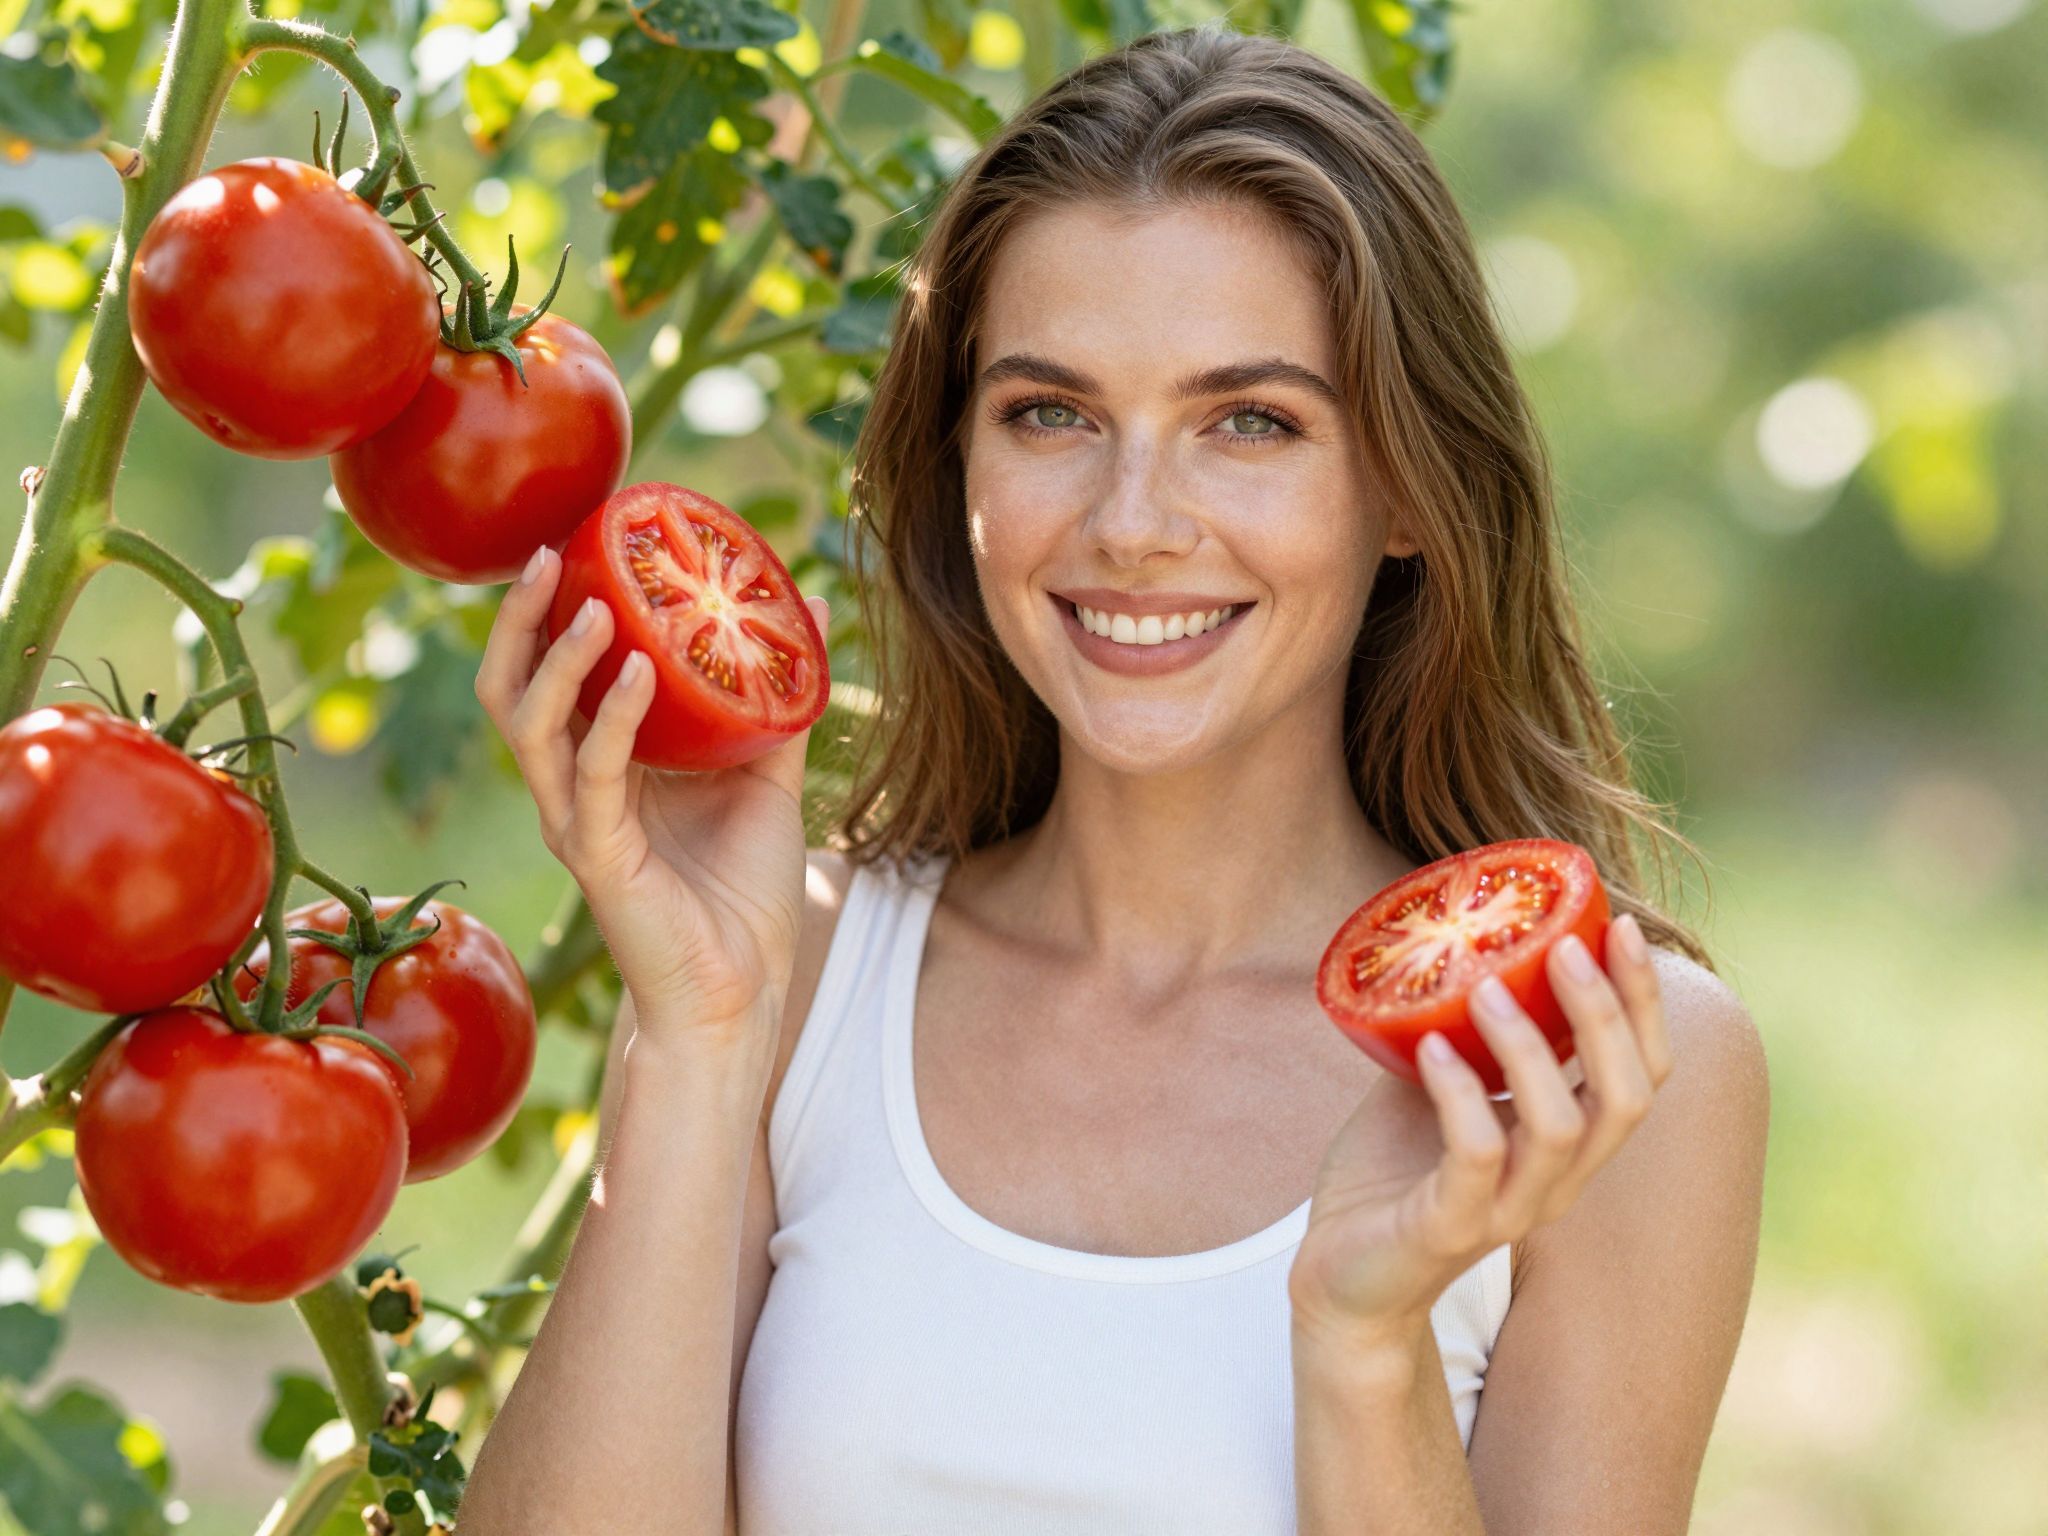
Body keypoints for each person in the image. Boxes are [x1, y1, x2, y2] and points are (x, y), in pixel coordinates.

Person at [460, 23, 1769, 1533]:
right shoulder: (797, 977)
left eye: (1250, 423)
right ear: (959, 470)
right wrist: (696, 1043)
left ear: (1408, 488)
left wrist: (1361, 1345)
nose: (1133, 523)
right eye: (1051, 414)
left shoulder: (1602, 1059)